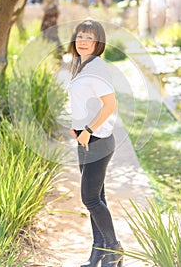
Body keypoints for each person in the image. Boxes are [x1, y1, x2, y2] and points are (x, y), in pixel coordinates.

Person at [68, 19, 123, 267]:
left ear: (98, 42)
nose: (83, 41)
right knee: (97, 199)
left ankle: (114, 249)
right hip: (87, 139)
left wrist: (88, 130)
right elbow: (86, 100)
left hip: (97, 140)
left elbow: (110, 105)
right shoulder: (83, 65)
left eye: (89, 37)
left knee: (90, 199)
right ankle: (99, 251)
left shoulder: (97, 67)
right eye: (80, 36)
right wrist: (77, 126)